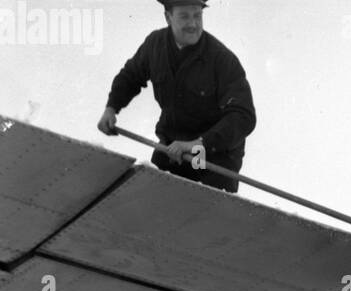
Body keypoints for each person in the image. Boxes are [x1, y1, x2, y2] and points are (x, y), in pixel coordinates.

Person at [97, 1, 255, 194]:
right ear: (168, 17)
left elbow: (243, 116)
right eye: (184, 16)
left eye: (197, 15)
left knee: (198, 209)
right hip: (171, 147)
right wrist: (111, 108)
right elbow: (130, 76)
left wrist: (198, 143)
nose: (193, 24)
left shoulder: (222, 60)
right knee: (151, 200)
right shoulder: (155, 45)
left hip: (208, 156)